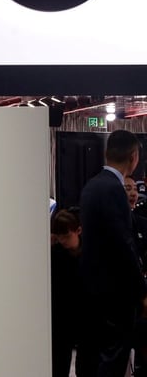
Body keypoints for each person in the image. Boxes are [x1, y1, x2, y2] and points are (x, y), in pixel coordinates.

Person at [79, 129, 147, 377]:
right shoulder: (113, 189)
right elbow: (123, 245)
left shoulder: (92, 186)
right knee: (113, 359)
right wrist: (142, 291)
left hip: (93, 291)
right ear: (134, 156)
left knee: (93, 357)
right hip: (115, 295)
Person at [50, 209, 83, 377]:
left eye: (66, 236)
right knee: (59, 364)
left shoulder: (89, 254)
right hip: (61, 317)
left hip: (84, 316)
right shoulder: (55, 255)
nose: (63, 240)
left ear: (78, 231)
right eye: (59, 236)